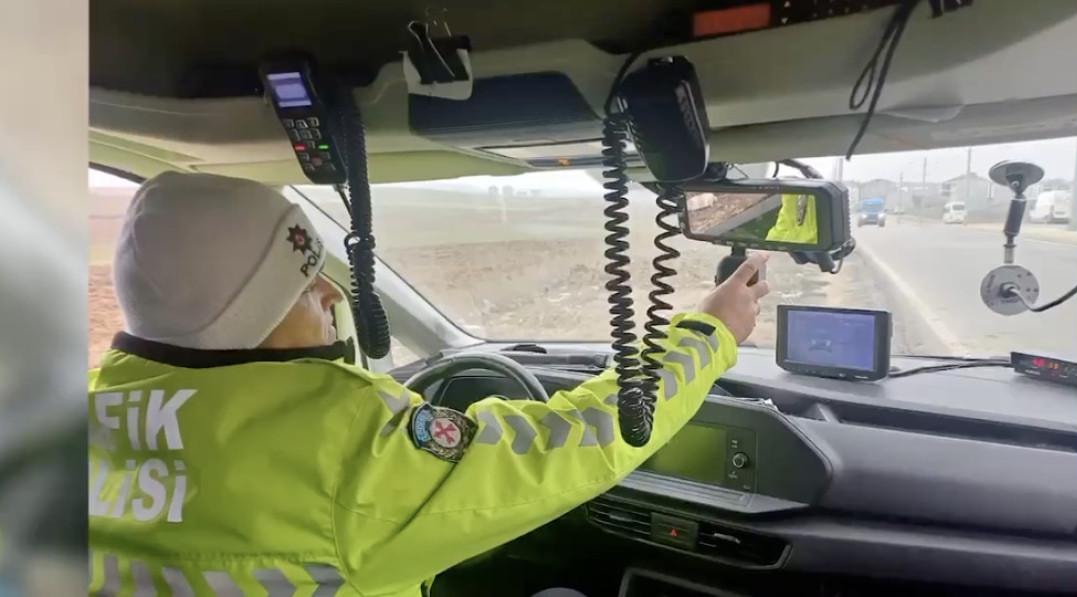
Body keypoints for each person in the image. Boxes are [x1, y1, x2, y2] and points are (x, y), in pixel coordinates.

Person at [87, 172, 770, 596]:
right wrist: (709, 333)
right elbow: (572, 444)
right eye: (302, 284)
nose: (331, 293)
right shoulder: (340, 444)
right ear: (249, 317)